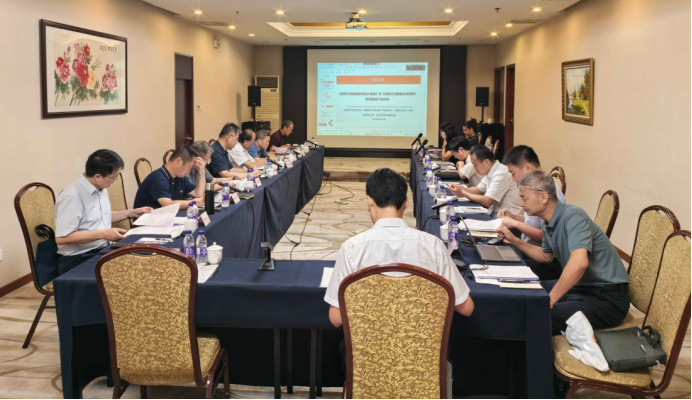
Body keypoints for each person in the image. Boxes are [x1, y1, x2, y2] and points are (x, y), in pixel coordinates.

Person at [325, 168, 474, 329]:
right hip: (421, 343)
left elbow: (336, 318)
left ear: (369, 202)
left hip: (370, 344)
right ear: (406, 203)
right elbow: (466, 308)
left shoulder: (352, 248)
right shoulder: (434, 245)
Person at [496, 171, 630, 335]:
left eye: (524, 198)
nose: (521, 203)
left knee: (538, 315)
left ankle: (532, 352)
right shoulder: (548, 221)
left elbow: (579, 263)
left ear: (543, 197)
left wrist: (550, 299)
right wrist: (516, 241)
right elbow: (546, 256)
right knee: (522, 291)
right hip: (580, 289)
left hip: (606, 299)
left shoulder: (573, 216)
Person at [55, 150, 152, 275]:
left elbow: (100, 217)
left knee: (148, 261)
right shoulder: (72, 196)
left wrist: (131, 213)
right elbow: (62, 238)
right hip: (79, 258)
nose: (114, 181)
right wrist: (103, 234)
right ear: (97, 176)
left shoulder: (99, 187)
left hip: (102, 249)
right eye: (113, 178)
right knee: (131, 275)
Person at [496, 145, 567, 279]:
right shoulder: (538, 186)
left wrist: (515, 225)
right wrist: (514, 217)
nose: (513, 179)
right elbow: (535, 223)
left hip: (541, 257)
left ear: (527, 168)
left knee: (502, 269)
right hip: (531, 249)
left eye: (513, 173)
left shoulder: (545, 192)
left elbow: (546, 237)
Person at [448, 146, 522, 218]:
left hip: (508, 219)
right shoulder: (491, 169)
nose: (474, 168)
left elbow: (487, 201)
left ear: (486, 162)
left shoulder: (501, 173)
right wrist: (462, 189)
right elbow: (479, 189)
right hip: (495, 215)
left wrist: (463, 192)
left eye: (475, 164)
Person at [133, 145, 205, 209]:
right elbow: (168, 204)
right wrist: (195, 202)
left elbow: (198, 194)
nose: (189, 171)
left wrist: (202, 172)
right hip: (147, 218)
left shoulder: (180, 177)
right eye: (190, 166)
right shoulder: (158, 178)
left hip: (166, 216)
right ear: (179, 161)